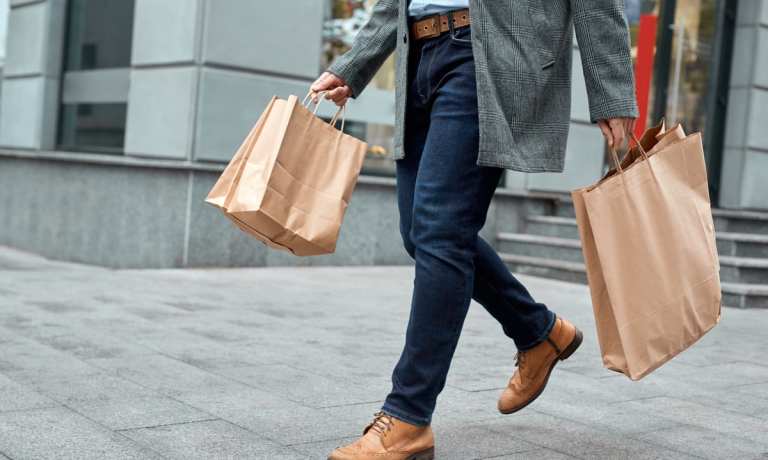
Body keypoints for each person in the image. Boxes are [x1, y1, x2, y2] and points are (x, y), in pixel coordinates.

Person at [311, 1, 637, 458]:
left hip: (487, 55)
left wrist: (613, 92)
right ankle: (539, 331)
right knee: (421, 233)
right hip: (418, 54)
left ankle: (407, 416)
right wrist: (354, 64)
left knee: (440, 233)